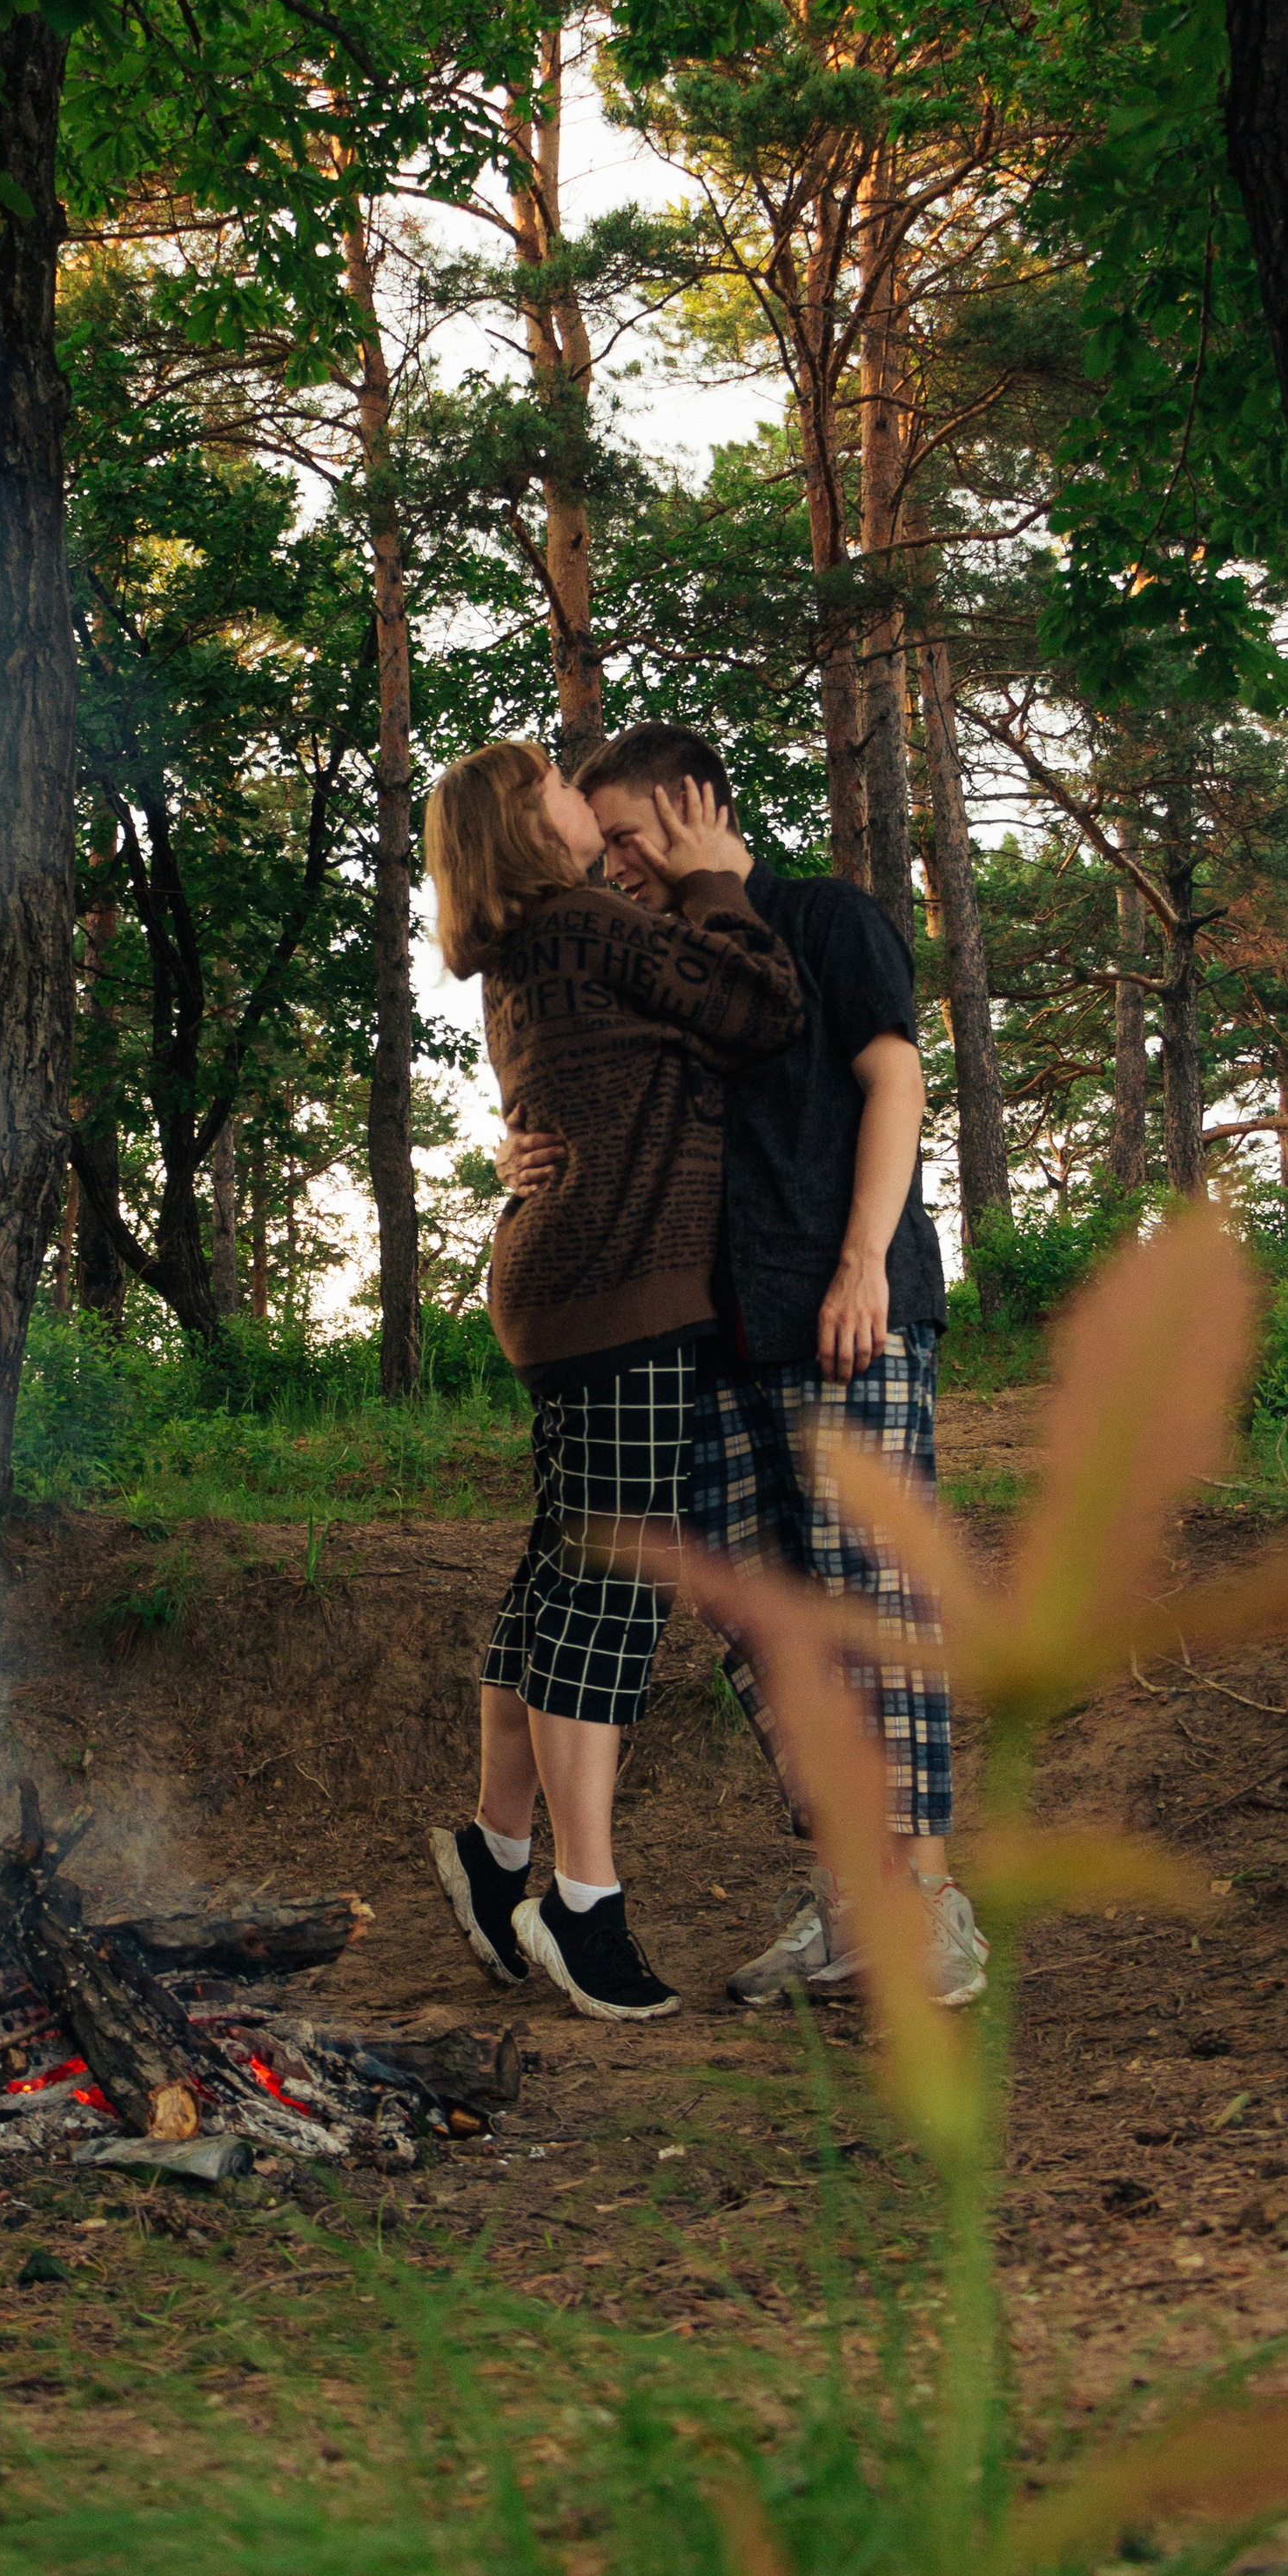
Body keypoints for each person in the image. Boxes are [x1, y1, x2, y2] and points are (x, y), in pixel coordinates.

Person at [499, 721, 988, 2009]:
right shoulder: (671, 957)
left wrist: (864, 1259)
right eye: (596, 851)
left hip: (847, 1310)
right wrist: (529, 1158)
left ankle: (928, 1904)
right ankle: (848, 1901)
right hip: (712, 1338)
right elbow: (606, 1093)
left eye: (624, 842)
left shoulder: (828, 917)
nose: (614, 870)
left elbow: (896, 1082)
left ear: (691, 805)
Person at [422, 739, 804, 2022]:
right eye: (557, 788)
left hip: (559, 1282)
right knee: (614, 1588)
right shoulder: (589, 923)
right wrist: (714, 880)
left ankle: (498, 1848)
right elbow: (759, 1007)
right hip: (620, 1291)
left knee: (556, 1572)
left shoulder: (531, 950)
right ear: (529, 829)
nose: (582, 800)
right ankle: (582, 1907)